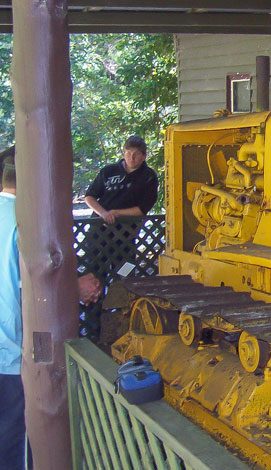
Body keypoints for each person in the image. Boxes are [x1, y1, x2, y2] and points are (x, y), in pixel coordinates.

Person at [0, 154, 101, 470]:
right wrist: (77, 287)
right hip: (13, 356)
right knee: (18, 447)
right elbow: (35, 287)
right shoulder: (24, 223)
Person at [82, 136, 158, 280]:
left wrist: (116, 213)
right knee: (94, 274)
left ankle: (122, 301)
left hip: (125, 236)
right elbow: (89, 197)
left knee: (125, 274)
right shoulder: (108, 171)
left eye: (136, 154)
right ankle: (96, 302)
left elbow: (142, 209)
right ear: (123, 154)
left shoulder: (148, 177)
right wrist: (103, 213)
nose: (132, 157)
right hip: (99, 232)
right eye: (128, 153)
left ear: (144, 156)